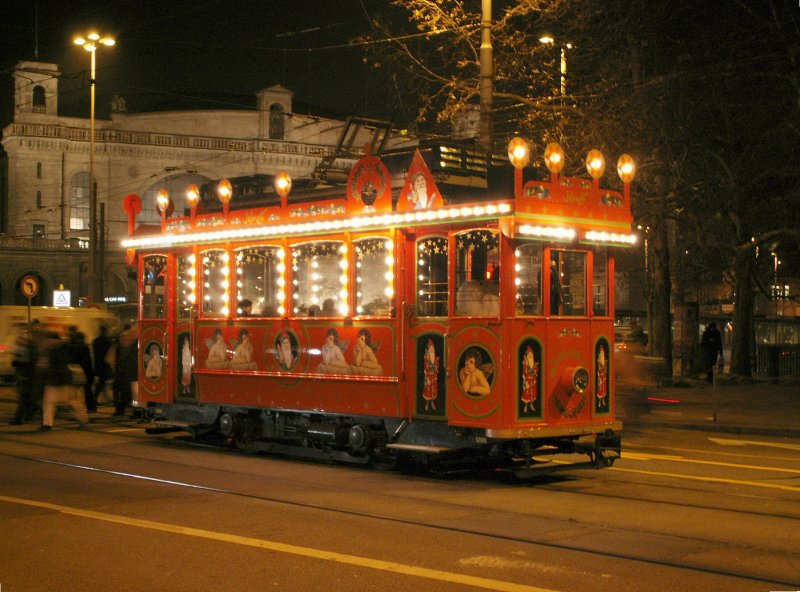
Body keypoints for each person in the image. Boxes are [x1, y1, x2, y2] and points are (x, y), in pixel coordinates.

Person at [40, 331, 88, 431]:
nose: (47, 342)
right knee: (50, 402)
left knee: (71, 402)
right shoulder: (58, 348)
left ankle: (82, 419)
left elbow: (59, 366)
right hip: (59, 381)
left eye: (49, 340)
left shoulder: (59, 350)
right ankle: (47, 424)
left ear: (54, 340)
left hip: (62, 381)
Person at [10, 322, 38, 424]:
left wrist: (16, 361)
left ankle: (19, 418)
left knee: (23, 397)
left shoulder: (27, 345)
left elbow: (24, 360)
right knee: (26, 396)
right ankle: (27, 415)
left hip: (25, 373)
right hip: (27, 373)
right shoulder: (30, 344)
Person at [111, 325, 138, 416]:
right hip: (126, 374)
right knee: (127, 394)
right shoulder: (122, 347)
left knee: (132, 395)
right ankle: (125, 410)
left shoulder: (132, 347)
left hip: (131, 374)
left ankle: (134, 411)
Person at [67, 326, 95, 412]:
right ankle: (91, 407)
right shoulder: (85, 347)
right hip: (87, 371)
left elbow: (73, 360)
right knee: (87, 390)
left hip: (77, 371)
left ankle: (79, 408)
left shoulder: (75, 347)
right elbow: (88, 361)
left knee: (75, 392)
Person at [92, 324, 113, 405]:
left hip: (98, 364)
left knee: (102, 382)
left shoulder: (95, 341)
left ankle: (104, 398)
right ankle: (95, 397)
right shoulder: (108, 341)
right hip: (105, 364)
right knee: (102, 382)